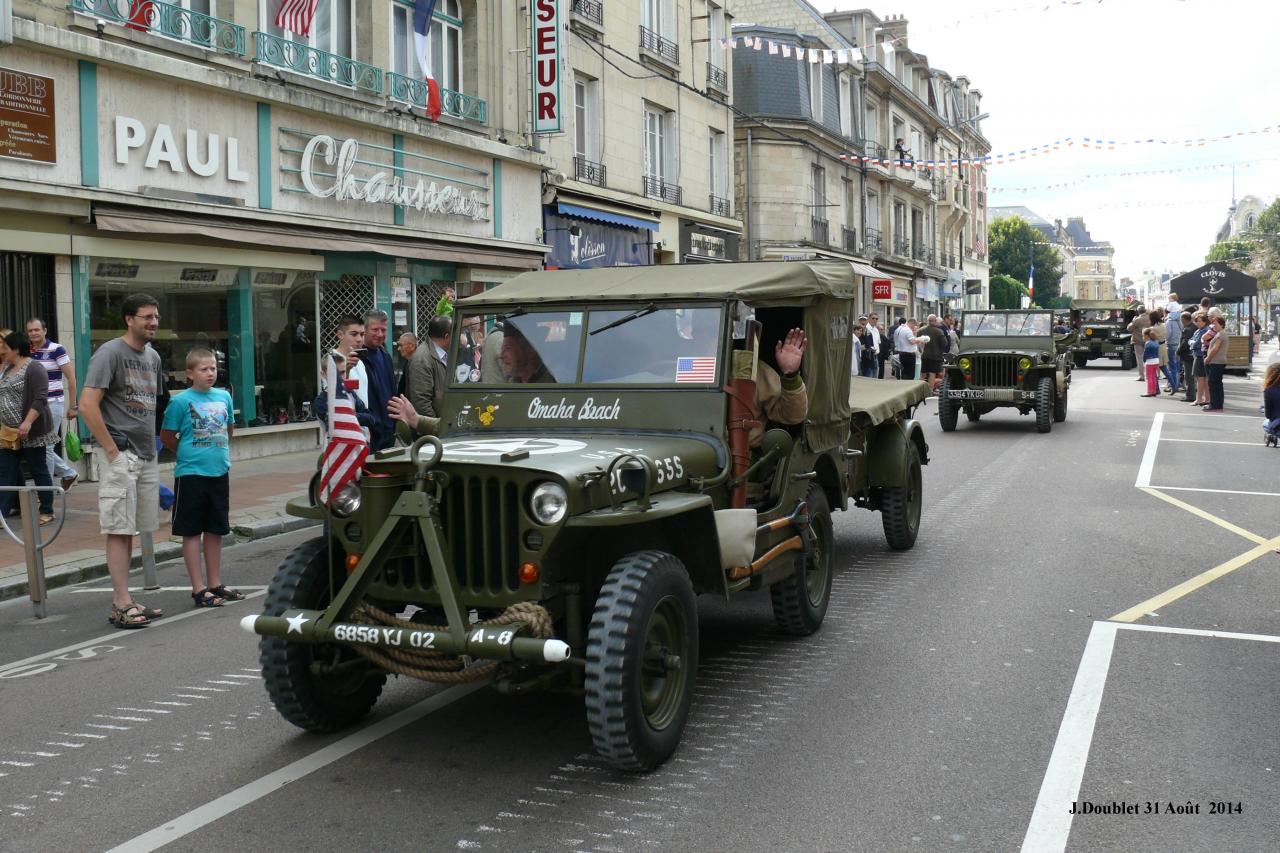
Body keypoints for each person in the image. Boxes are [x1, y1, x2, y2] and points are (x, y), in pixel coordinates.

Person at [79, 293, 166, 629]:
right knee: (118, 528)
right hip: (122, 453)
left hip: (146, 453)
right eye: (146, 317)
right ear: (129, 319)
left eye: (156, 316)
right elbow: (87, 405)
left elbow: (150, 404)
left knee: (134, 527)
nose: (153, 322)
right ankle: (121, 602)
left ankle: (128, 599)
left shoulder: (154, 357)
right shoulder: (110, 353)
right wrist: (112, 451)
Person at [160, 348, 243, 609]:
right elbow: (167, 436)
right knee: (191, 530)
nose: (210, 373)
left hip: (219, 471)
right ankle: (199, 587)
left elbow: (229, 429)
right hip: (191, 474)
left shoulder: (224, 396)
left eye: (213, 368)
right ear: (190, 374)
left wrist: (218, 453)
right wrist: (188, 453)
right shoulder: (180, 401)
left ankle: (215, 581)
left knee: (216, 529)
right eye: (204, 369)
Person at [0, 331, 56, 525]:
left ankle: (47, 510)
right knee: (6, 471)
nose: (2, 350)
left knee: (38, 469)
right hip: (9, 432)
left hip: (31, 431)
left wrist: (28, 421)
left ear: (16, 349)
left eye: (5, 347)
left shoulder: (34, 368)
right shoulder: (7, 369)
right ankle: (2, 513)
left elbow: (40, 399)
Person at [26, 318, 79, 492]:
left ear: (45, 330)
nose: (33, 333)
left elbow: (71, 378)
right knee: (40, 445)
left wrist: (73, 406)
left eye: (36, 330)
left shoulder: (56, 349)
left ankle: (46, 490)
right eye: (30, 331)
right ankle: (68, 473)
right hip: (34, 406)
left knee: (47, 446)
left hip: (53, 404)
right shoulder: (27, 352)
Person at [360, 309, 396, 452]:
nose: (380, 334)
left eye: (383, 330)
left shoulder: (386, 355)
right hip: (371, 431)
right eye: (375, 330)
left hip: (389, 429)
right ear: (365, 329)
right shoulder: (357, 358)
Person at [406, 315, 451, 417]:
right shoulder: (421, 359)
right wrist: (437, 427)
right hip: (432, 430)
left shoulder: (443, 354)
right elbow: (421, 403)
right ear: (446, 337)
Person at [333, 315, 368, 407]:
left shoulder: (360, 362)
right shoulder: (330, 361)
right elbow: (334, 396)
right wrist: (346, 370)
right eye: (354, 334)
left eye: (362, 334)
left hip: (363, 418)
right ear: (340, 335)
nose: (359, 339)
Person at [1203, 315, 1229, 412]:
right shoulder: (1220, 333)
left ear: (1221, 324)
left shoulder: (1220, 334)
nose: (1214, 325)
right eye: (1213, 323)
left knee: (1213, 383)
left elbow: (1215, 348)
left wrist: (1208, 358)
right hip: (1218, 361)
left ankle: (1214, 404)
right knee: (1217, 383)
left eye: (1216, 323)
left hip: (1216, 361)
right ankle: (1217, 404)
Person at [919, 314, 947, 392]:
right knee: (932, 374)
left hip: (924, 355)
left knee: (923, 374)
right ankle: (930, 391)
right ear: (934, 321)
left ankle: (919, 391)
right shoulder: (939, 331)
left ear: (928, 321)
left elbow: (917, 342)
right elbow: (944, 343)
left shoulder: (921, 330)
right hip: (935, 356)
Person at [1189, 313, 1210, 407]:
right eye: (1196, 321)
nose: (1197, 323)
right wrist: (1192, 343)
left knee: (1200, 378)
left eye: (1200, 321)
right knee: (1203, 378)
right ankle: (1206, 398)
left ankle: (1199, 399)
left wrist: (1192, 343)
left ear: (1205, 322)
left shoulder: (1205, 330)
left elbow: (1196, 343)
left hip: (1200, 355)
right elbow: (1191, 340)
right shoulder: (1198, 330)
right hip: (1198, 355)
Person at [1176, 312, 1196, 403]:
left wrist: (1178, 351)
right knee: (1190, 376)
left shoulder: (1187, 329)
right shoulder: (1194, 327)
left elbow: (1185, 343)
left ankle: (1190, 396)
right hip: (1192, 354)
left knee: (1188, 376)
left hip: (1187, 355)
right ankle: (1191, 395)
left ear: (1183, 319)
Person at [1127, 306, 1150, 381]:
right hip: (1148, 340)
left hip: (1138, 341)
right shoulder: (1149, 318)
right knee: (1149, 358)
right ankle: (1150, 375)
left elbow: (1129, 328)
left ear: (1138, 311)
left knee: (1140, 358)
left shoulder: (1137, 319)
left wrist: (1132, 321)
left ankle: (1142, 376)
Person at [1163, 306, 1182, 395]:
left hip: (1171, 345)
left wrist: (1164, 340)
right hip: (1179, 344)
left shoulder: (1169, 322)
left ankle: (1173, 385)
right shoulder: (1179, 320)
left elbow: (1167, 334)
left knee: (1172, 366)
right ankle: (1177, 384)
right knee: (1177, 366)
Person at [1140, 328, 1161, 398]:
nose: (1143, 337)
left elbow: (1145, 354)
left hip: (1149, 361)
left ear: (1146, 335)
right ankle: (1154, 391)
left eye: (1143, 335)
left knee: (1149, 377)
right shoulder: (1156, 341)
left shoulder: (1148, 343)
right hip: (1156, 361)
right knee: (1154, 377)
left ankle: (1149, 392)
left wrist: (1144, 360)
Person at [1263, 362, 1280, 436]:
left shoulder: (1269, 390)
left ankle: (1273, 435)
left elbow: (1268, 414)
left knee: (1265, 423)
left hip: (1278, 423)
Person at [865, 313, 883, 378]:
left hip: (876, 356)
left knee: (875, 377)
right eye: (873, 318)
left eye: (876, 319)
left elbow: (878, 343)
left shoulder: (876, 330)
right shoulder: (866, 329)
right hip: (868, 356)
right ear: (869, 319)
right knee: (869, 377)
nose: (875, 320)